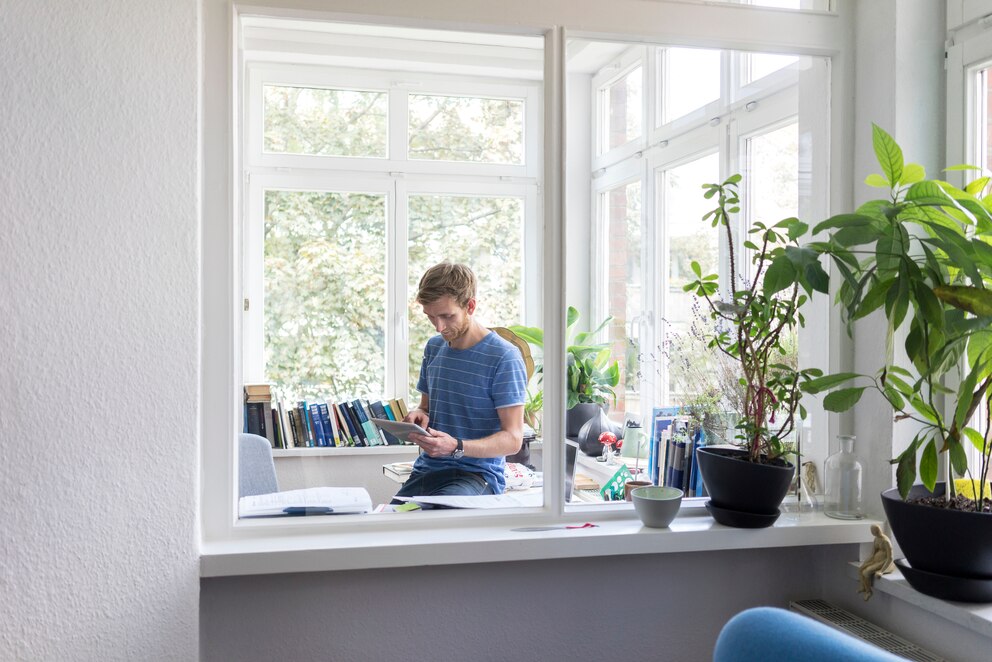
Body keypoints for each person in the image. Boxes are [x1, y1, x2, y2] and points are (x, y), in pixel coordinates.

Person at [391, 262, 528, 504]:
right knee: (387, 529)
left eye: (447, 316)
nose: (439, 327)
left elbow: (513, 439)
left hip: (476, 476)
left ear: (470, 306)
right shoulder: (434, 348)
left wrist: (456, 446)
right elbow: (427, 408)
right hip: (428, 471)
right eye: (431, 317)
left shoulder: (504, 357)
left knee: (439, 524)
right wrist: (418, 416)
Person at [857, 523, 896, 600]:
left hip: (883, 562)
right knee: (861, 568)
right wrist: (866, 562)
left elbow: (890, 558)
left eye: (874, 531)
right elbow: (872, 553)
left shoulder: (886, 541)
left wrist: (881, 571)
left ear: (878, 531)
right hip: (875, 560)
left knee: (866, 572)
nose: (873, 533)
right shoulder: (876, 539)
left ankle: (868, 592)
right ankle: (863, 586)